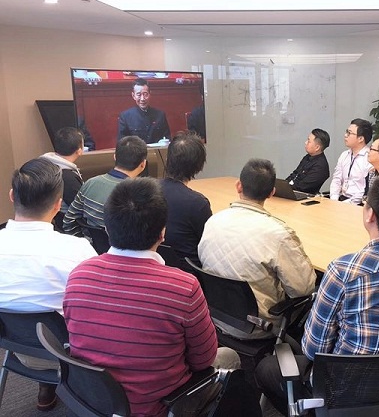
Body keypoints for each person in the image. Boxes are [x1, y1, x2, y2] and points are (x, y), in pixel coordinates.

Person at [255, 174, 379, 414]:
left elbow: (313, 349)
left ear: (370, 214)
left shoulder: (344, 271)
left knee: (266, 369)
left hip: (342, 397)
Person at [63, 177, 250, 417]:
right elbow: (204, 360)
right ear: (163, 233)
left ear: (107, 229)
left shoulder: (78, 275)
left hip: (95, 399)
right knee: (229, 357)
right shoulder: (183, 287)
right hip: (159, 407)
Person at [0, 158, 96, 411]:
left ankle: (46, 387)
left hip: (13, 345)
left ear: (12, 196)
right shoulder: (77, 250)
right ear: (57, 204)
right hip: (70, 355)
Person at [198, 158, 316, 339]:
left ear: (238, 186)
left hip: (216, 317)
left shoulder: (213, 221)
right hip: (259, 327)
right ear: (271, 193)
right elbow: (303, 290)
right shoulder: (279, 234)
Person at [63, 135, 147, 236]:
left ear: (115, 157)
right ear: (143, 164)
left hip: (91, 244)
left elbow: (69, 220)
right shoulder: (140, 196)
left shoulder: (90, 183)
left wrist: (84, 243)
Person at [160, 131, 212, 263]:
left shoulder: (146, 190)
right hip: (189, 269)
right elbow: (208, 245)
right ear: (199, 166)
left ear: (167, 159)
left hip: (158, 264)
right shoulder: (198, 203)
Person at [39, 126, 84, 229]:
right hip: (68, 225)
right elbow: (80, 207)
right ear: (79, 150)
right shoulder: (67, 177)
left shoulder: (46, 164)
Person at [329, 118, 373, 204]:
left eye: (349, 133)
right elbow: (336, 179)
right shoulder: (344, 155)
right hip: (341, 199)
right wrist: (334, 199)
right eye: (346, 132)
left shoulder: (369, 158)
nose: (345, 135)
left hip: (358, 203)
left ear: (360, 138)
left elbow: (366, 190)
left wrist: (345, 204)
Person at [116, 78, 171, 143]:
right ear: (133, 96)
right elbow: (122, 143)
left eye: (145, 94)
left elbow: (167, 139)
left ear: (150, 94)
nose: (142, 99)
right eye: (139, 95)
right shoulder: (125, 117)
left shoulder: (160, 115)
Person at [285, 128, 331, 194]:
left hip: (305, 196)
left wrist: (286, 188)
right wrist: (284, 185)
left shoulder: (320, 166)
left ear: (317, 147)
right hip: (293, 191)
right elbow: (295, 174)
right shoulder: (307, 157)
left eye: (309, 141)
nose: (305, 142)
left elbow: (303, 187)